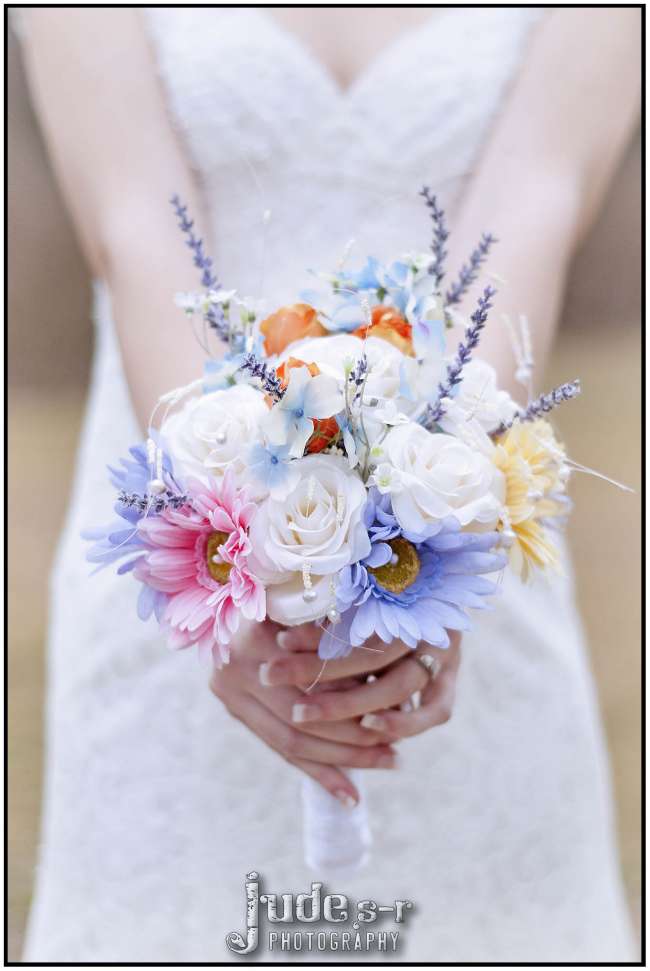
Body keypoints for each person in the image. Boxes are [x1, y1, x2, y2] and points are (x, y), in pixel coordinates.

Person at [19, 7, 638, 961]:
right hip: (188, 538)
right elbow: (135, 224)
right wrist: (222, 552)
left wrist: (436, 519)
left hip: (447, 549)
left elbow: (537, 205)